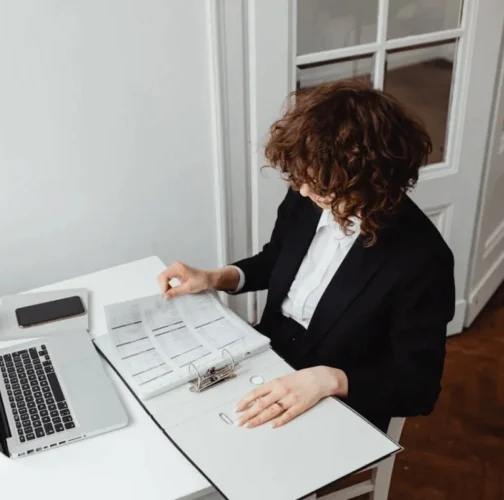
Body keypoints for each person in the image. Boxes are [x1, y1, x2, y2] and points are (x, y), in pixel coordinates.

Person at [157, 79, 455, 433]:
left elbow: (417, 388)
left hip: (337, 397)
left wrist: (329, 381)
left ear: (373, 182)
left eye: (320, 185)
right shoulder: (311, 190)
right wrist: (215, 277)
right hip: (267, 355)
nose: (302, 189)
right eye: (301, 178)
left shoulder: (422, 259)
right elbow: (277, 260)